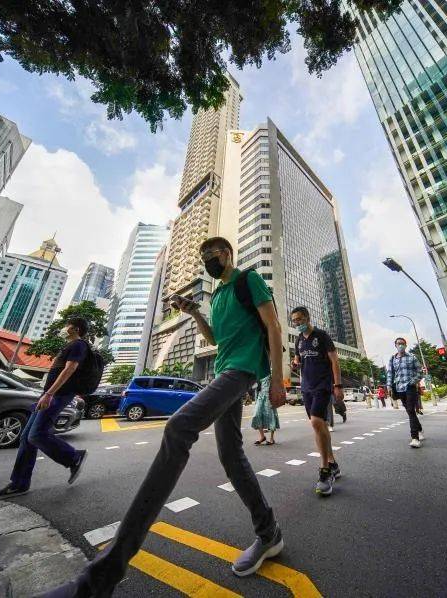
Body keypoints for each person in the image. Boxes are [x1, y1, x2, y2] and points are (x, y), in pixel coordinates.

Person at [45, 237, 286, 597]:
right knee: (231, 456)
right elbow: (215, 339)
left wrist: (278, 379)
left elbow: (274, 326)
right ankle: (269, 533)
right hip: (224, 367)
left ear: (227, 254)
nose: (208, 261)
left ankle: (102, 576)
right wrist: (194, 313)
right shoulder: (218, 296)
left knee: (178, 427)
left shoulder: (247, 280)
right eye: (203, 257)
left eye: (212, 255)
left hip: (243, 369)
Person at [0, 317, 90, 501]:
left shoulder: (79, 345)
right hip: (50, 394)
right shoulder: (70, 345)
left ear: (76, 329)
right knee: (26, 438)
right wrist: (46, 393)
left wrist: (50, 394)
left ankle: (73, 457)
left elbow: (70, 369)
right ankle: (19, 483)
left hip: (58, 395)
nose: (64, 328)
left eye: (67, 325)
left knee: (36, 435)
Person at [291, 306, 343, 496]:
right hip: (306, 388)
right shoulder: (298, 340)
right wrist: (295, 363)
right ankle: (333, 463)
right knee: (319, 426)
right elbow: (297, 359)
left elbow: (334, 361)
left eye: (299, 319)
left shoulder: (322, 336)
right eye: (294, 321)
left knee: (316, 422)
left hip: (322, 385)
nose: (297, 323)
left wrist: (338, 385)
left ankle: (325, 471)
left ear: (307, 317)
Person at [386, 338, 424, 448]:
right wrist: (389, 386)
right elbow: (390, 373)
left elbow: (420, 371)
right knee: (409, 411)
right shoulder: (392, 359)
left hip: (410, 387)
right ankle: (419, 429)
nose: (400, 345)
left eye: (402, 344)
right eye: (398, 343)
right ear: (395, 345)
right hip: (399, 389)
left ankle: (415, 438)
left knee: (411, 410)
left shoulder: (412, 357)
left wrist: (413, 381)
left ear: (406, 345)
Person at [252, 376, 279, 445]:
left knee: (271, 416)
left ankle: (272, 438)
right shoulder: (258, 373)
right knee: (256, 415)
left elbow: (276, 382)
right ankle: (262, 437)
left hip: (270, 396)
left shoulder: (270, 373)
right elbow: (255, 386)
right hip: (260, 396)